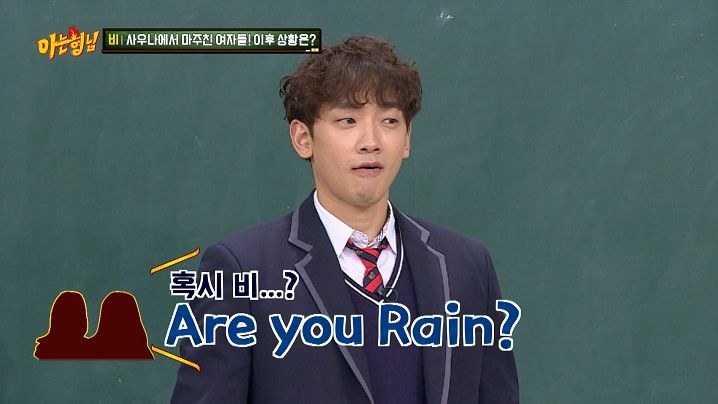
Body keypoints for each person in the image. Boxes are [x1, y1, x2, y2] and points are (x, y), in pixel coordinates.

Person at [172, 35, 518, 404]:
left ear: (406, 138)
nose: (371, 142)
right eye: (347, 120)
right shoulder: (240, 271)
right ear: (303, 138)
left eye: (389, 120)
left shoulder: (467, 266)